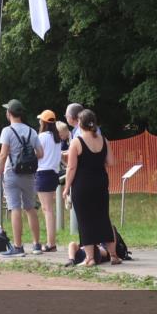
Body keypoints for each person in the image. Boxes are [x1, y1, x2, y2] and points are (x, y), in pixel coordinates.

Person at [63, 109, 121, 266]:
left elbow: (71, 168)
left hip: (82, 184)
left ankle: (89, 258)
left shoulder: (77, 142)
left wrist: (66, 187)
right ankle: (114, 255)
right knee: (103, 218)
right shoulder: (104, 139)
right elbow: (111, 162)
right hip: (101, 182)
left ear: (80, 123)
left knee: (85, 220)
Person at [0, 99, 44, 256]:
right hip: (29, 175)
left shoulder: (7, 131)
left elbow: (3, 154)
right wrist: (27, 157)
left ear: (9, 113)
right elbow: (40, 153)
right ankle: (36, 245)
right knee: (30, 208)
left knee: (15, 208)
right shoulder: (31, 131)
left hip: (12, 174)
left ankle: (18, 246)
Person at [35, 110, 61, 252]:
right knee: (48, 208)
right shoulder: (56, 137)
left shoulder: (42, 137)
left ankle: (51, 243)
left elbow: (38, 154)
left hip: (43, 173)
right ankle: (51, 242)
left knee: (47, 210)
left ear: (43, 122)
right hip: (53, 174)